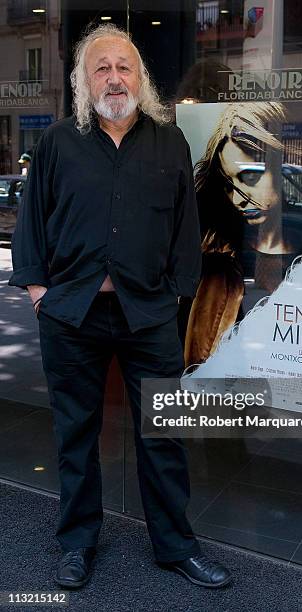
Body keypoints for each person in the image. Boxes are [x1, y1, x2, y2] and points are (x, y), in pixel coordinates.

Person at [8, 23, 231, 590]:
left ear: (140, 77)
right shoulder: (59, 142)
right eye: (101, 67)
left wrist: (178, 295)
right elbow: (32, 224)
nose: (114, 76)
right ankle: (77, 542)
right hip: (70, 316)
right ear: (85, 80)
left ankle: (175, 547)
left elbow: (187, 226)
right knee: (75, 436)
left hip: (148, 314)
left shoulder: (168, 142)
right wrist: (39, 294)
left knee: (162, 435)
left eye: (123, 66)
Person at [184, 102, 302, 367]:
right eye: (229, 183)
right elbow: (201, 361)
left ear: (279, 169)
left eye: (250, 177)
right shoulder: (218, 260)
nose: (237, 198)